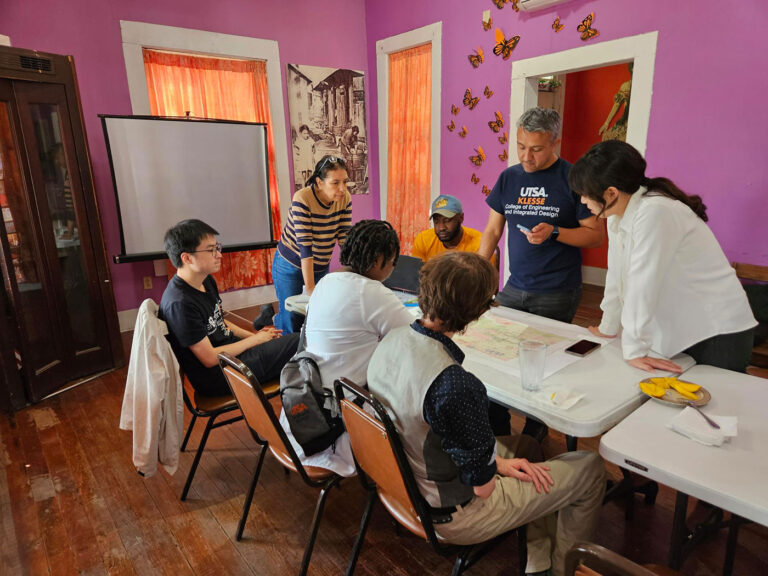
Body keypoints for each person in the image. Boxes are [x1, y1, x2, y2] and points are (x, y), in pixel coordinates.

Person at [367, 252, 605, 576]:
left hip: (406, 478)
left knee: (528, 449)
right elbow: (483, 487)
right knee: (588, 467)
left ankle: (538, 558)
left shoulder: (390, 339)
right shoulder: (456, 385)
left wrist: (500, 463)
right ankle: (564, 571)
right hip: (453, 511)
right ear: (478, 313)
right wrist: (495, 467)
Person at [569, 140, 757, 373]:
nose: (583, 201)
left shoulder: (655, 212)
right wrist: (608, 325)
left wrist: (635, 348)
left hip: (717, 328)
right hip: (683, 325)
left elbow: (642, 283)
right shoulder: (617, 213)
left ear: (611, 193)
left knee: (713, 405)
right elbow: (617, 275)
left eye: (585, 195)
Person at [279, 219, 414, 476]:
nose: (392, 270)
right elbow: (413, 336)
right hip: (339, 419)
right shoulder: (371, 291)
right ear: (377, 260)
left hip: (306, 405)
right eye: (392, 262)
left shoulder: (326, 282)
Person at [478, 107, 605, 324]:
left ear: (555, 143)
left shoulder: (573, 178)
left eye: (536, 149)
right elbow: (493, 229)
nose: (526, 157)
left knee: (545, 352)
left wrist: (554, 232)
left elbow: (596, 236)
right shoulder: (508, 177)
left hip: (557, 292)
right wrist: (477, 267)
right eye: (521, 147)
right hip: (514, 286)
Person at [160, 219, 300, 396]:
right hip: (220, 375)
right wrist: (256, 340)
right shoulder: (179, 303)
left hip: (234, 356)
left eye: (217, 247)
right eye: (211, 250)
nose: (219, 255)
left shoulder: (205, 280)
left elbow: (220, 322)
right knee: (298, 342)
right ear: (187, 258)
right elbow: (210, 358)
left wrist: (256, 336)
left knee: (296, 343)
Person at [272, 155, 352, 333]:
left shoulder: (345, 198)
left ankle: (274, 318)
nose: (342, 188)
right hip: (290, 265)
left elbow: (344, 237)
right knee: (292, 319)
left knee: (317, 317)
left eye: (345, 182)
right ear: (319, 181)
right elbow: (305, 247)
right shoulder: (302, 198)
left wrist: (354, 274)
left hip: (319, 265)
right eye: (335, 182)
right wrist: (310, 289)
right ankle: (281, 326)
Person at [411, 194, 489, 262]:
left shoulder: (480, 243)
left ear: (461, 218)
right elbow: (415, 275)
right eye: (436, 221)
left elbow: (483, 277)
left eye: (447, 220)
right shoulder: (423, 240)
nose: (441, 227)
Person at [598, 62, 632, 143]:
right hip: (625, 124)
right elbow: (617, 104)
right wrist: (606, 123)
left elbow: (617, 104)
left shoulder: (627, 86)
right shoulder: (627, 86)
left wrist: (606, 123)